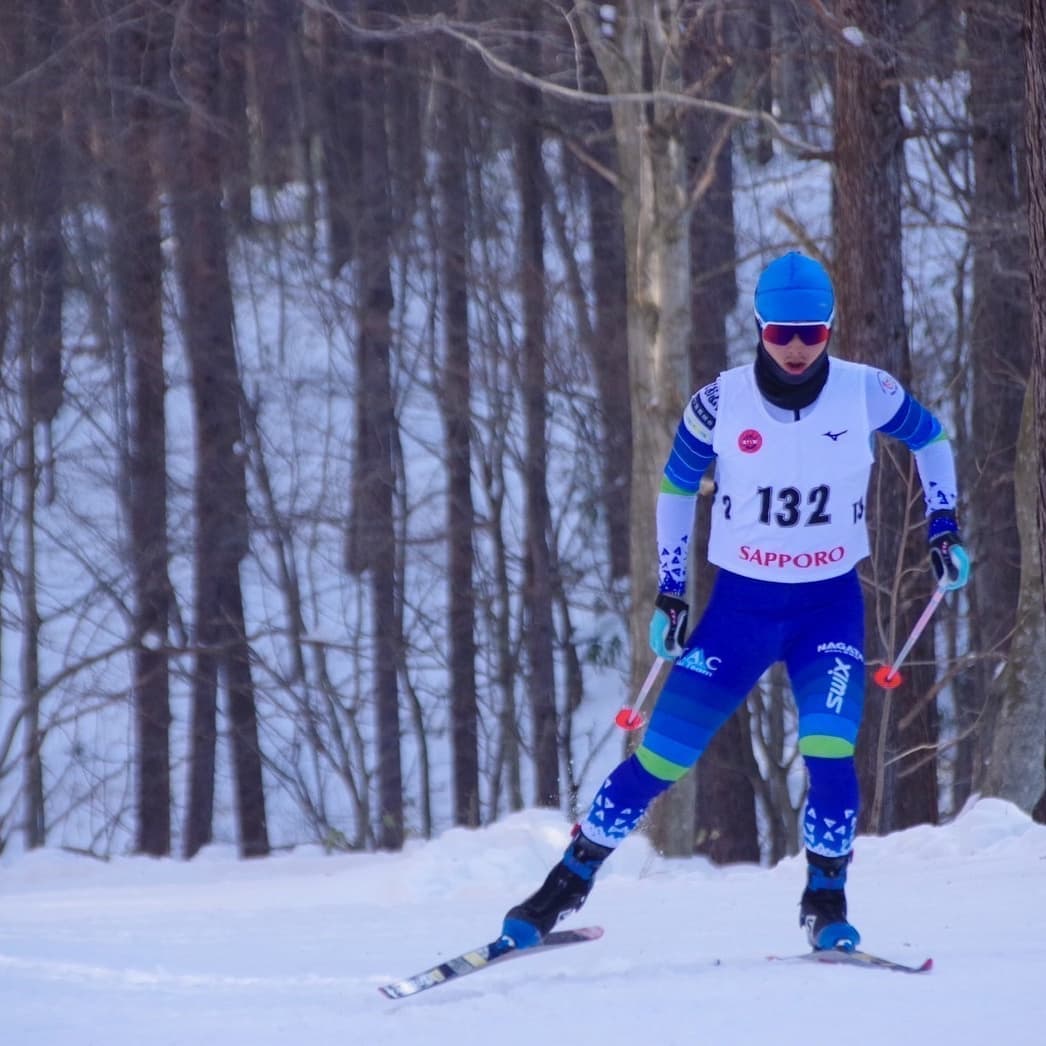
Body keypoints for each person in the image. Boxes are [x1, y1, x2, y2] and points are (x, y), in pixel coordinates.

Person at [501, 251, 970, 952]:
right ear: (757, 326)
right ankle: (563, 887)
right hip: (740, 611)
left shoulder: (867, 390)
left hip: (828, 608)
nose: (795, 347)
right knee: (660, 758)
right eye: (780, 332)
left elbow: (931, 439)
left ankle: (826, 901)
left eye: (810, 331)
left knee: (830, 751)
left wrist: (943, 525)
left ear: (831, 327)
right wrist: (669, 592)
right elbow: (674, 487)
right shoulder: (719, 403)